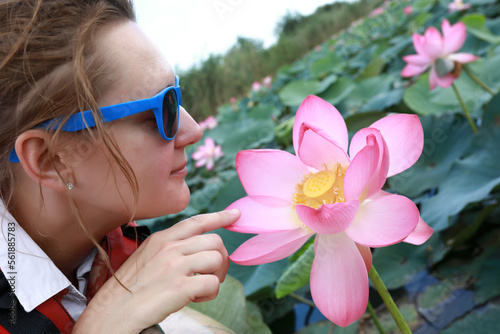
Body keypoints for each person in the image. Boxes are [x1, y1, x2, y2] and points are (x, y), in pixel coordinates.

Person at [0, 0, 240, 332]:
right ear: (51, 160)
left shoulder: (129, 249)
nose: (194, 130)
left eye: (177, 95)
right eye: (161, 110)